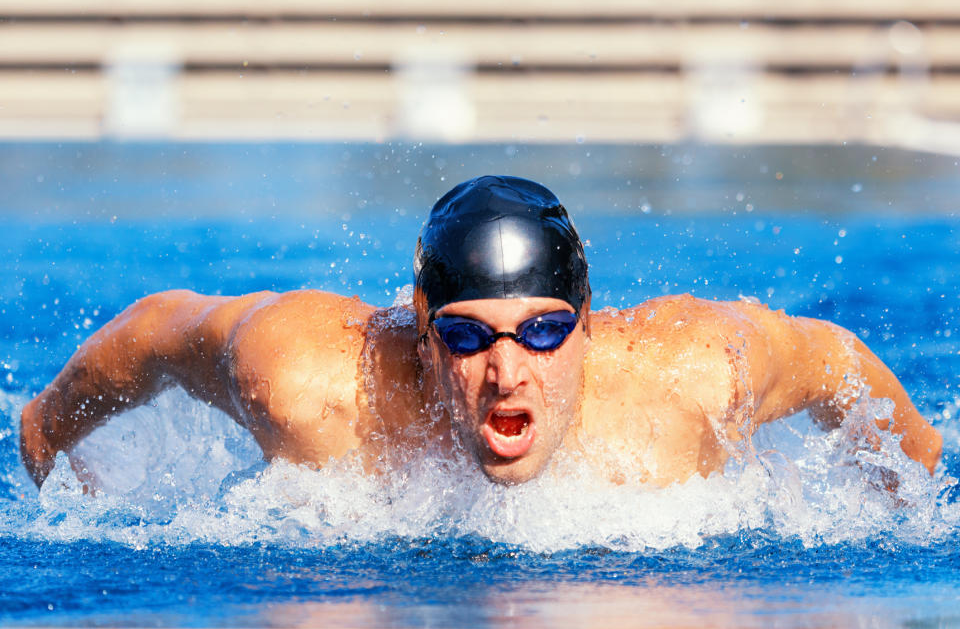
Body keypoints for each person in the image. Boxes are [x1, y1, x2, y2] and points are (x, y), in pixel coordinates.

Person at [20, 175, 942, 490]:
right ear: (420, 330)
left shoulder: (692, 378)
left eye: (542, 332)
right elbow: (153, 333)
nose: (508, 372)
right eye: (467, 338)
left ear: (587, 323)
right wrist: (47, 436)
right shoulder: (313, 383)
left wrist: (907, 492)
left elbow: (841, 366)